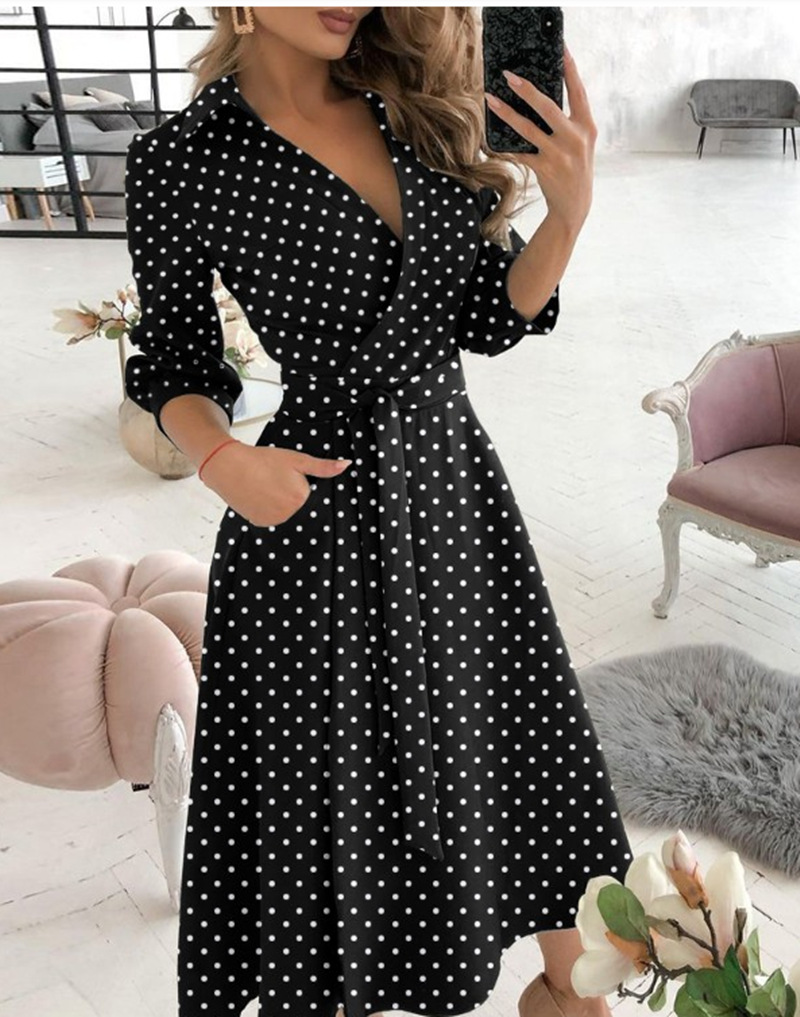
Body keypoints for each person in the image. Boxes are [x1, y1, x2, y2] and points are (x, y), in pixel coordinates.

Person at [123, 7, 634, 1017]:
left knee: (520, 745)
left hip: (454, 494)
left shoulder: (412, 108)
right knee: (341, 799)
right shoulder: (182, 159)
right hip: (312, 520)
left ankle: (570, 995)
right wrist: (222, 459)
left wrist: (567, 217)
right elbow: (175, 365)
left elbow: (485, 315)